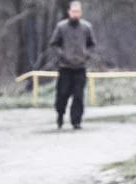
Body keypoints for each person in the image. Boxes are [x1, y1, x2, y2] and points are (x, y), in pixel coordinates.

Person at [49, 1, 96, 130]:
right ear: (69, 12)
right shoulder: (61, 27)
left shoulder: (86, 27)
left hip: (80, 67)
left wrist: (86, 54)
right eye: (73, 11)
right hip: (65, 67)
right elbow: (53, 44)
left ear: (81, 13)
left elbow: (92, 44)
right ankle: (60, 114)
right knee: (62, 94)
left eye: (78, 11)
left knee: (78, 96)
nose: (76, 14)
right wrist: (62, 54)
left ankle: (76, 121)